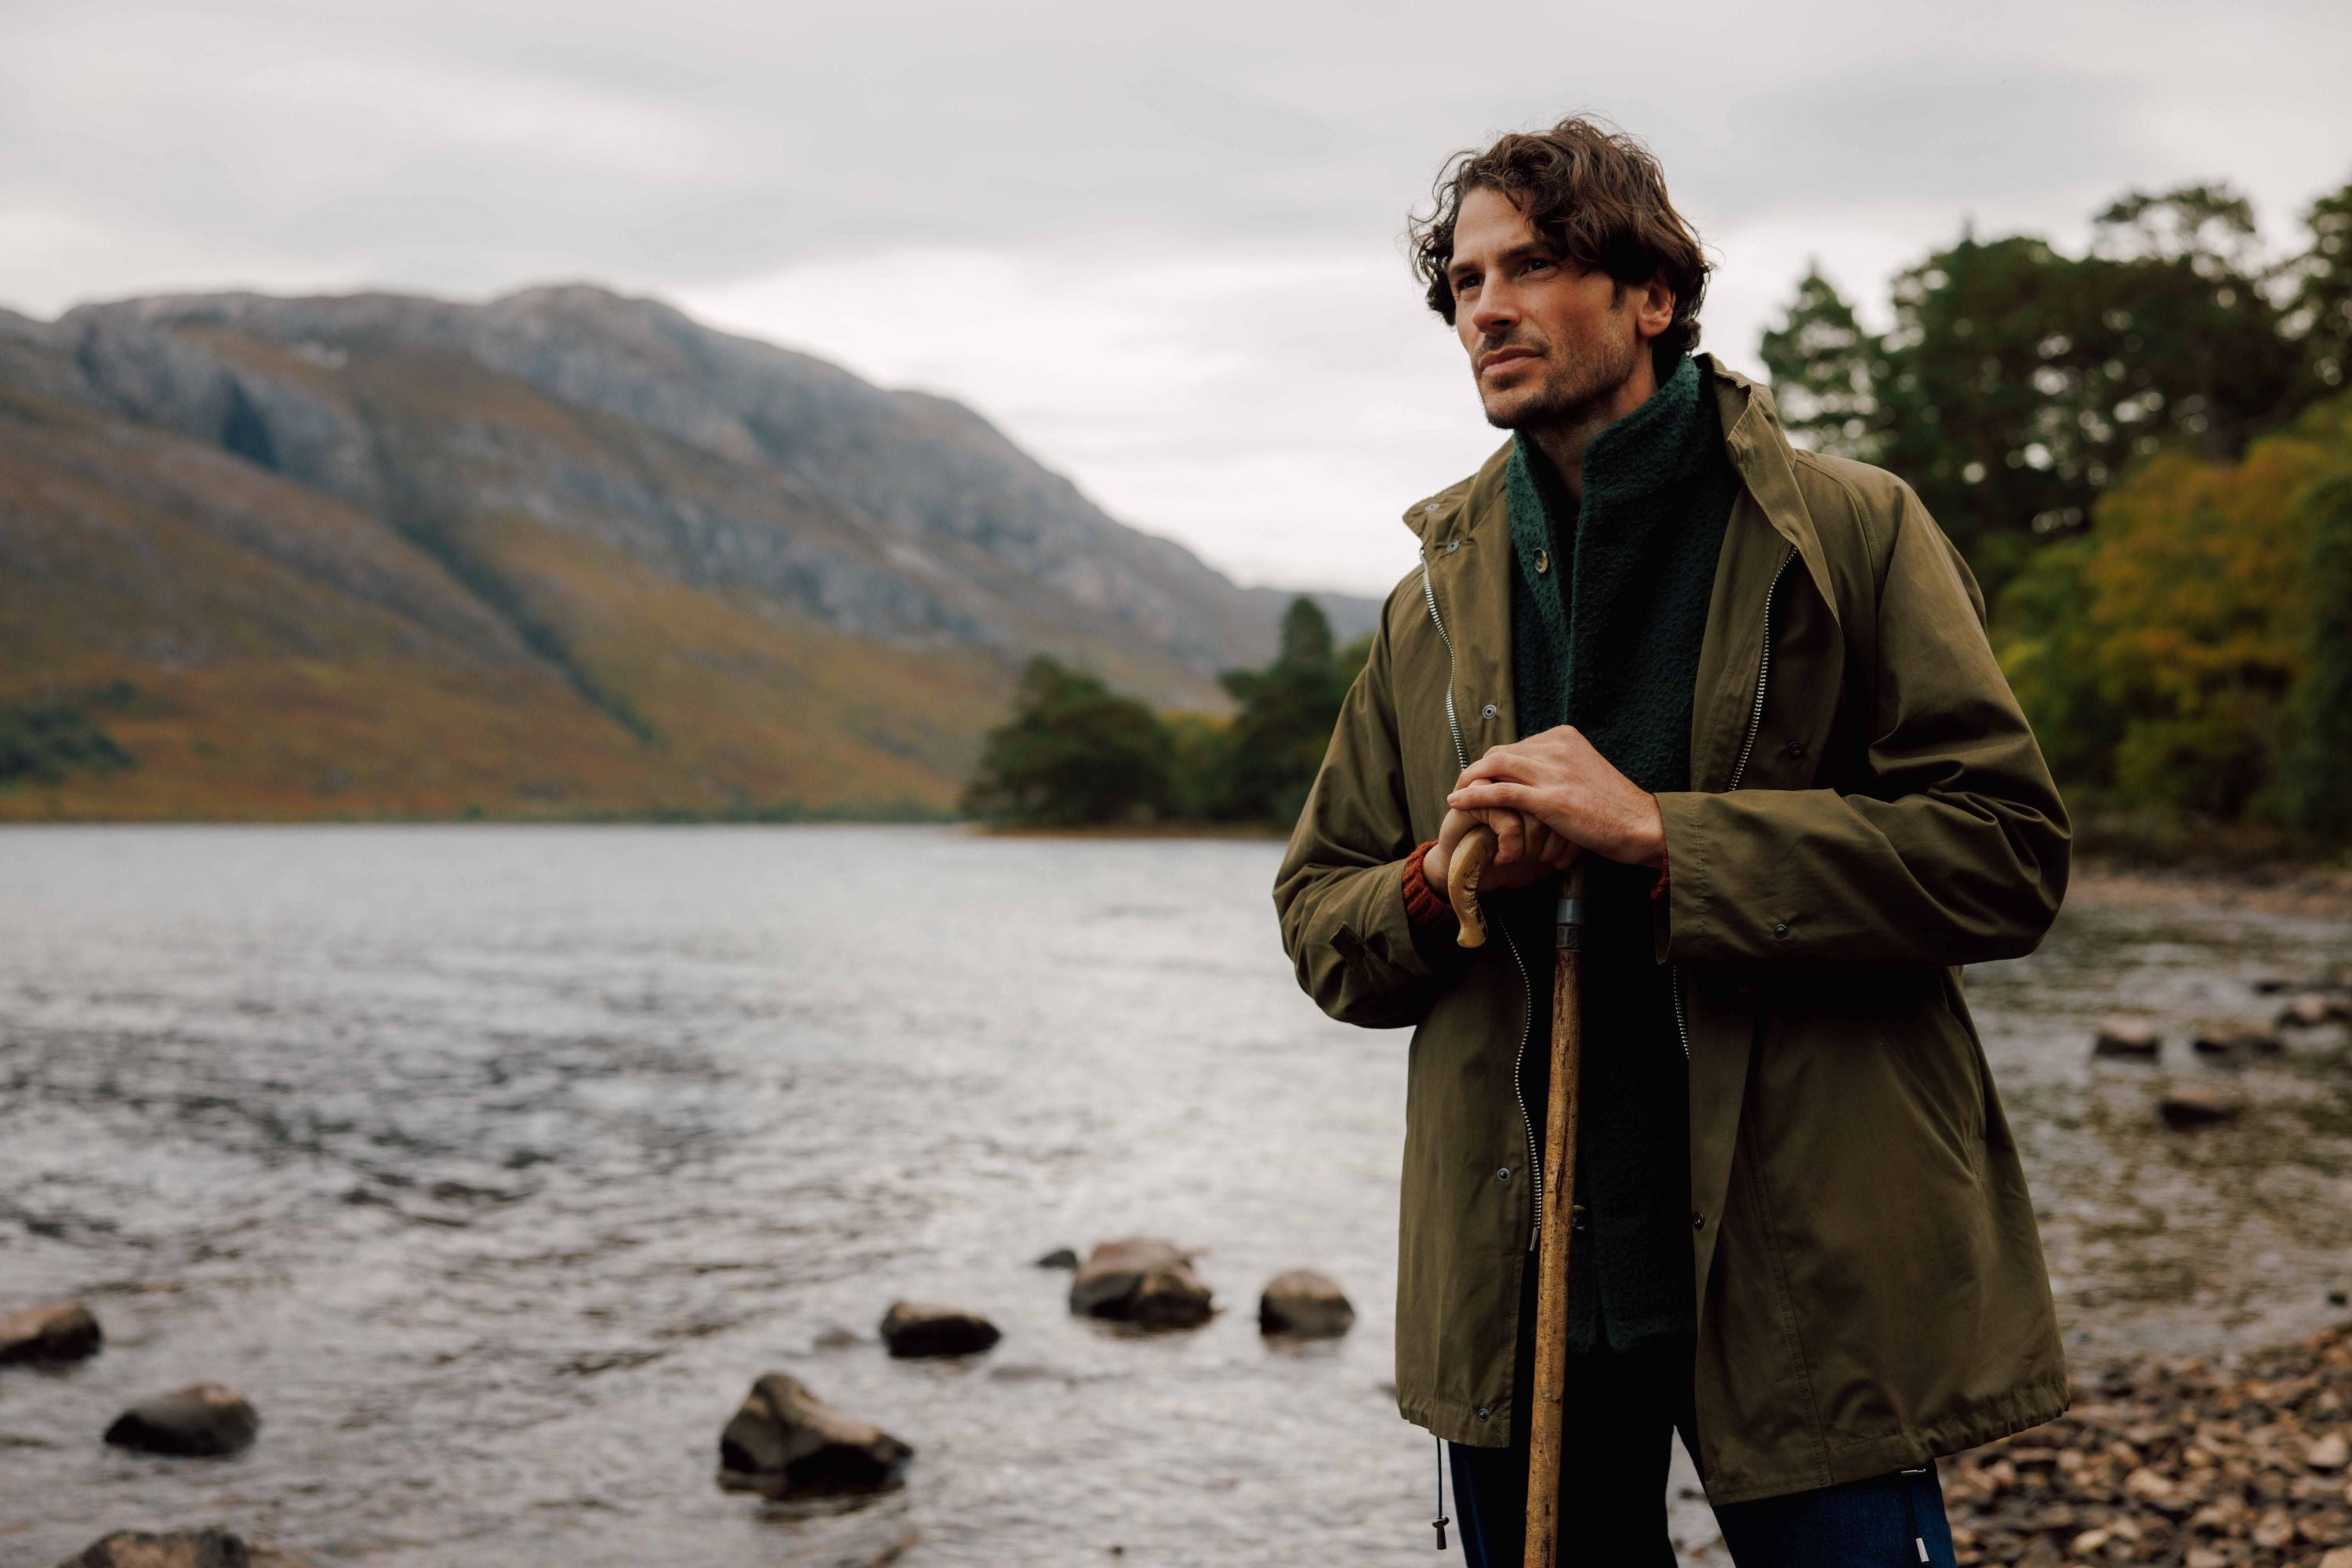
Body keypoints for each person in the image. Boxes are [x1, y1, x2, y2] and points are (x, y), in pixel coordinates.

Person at [1272, 118, 2070, 1566]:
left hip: (1804, 1256)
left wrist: (1665, 839)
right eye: (1464, 282)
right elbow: (1323, 924)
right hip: (1523, 1285)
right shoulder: (1429, 602)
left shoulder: (1851, 530)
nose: (1489, 308)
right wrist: (1432, 881)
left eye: (1538, 265)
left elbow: (2005, 852)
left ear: (1654, 296)